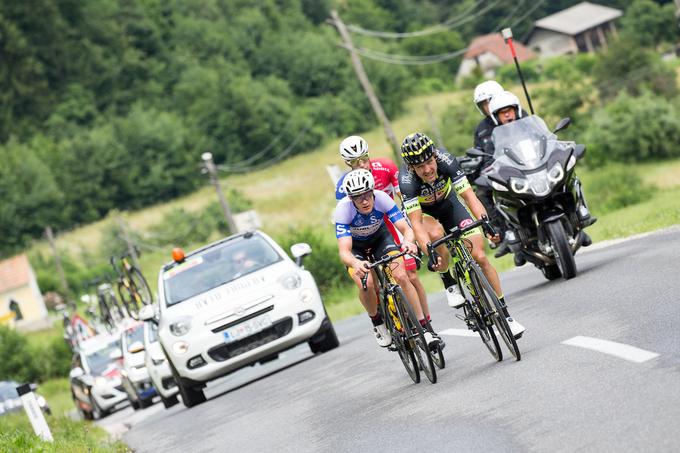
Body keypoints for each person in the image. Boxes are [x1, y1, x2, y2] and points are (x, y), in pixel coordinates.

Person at [398, 132, 525, 338]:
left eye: (430, 162)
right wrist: (429, 252)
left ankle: (506, 316)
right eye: (420, 167)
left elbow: (469, 196)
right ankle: (448, 279)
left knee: (480, 257)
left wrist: (487, 225)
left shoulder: (447, 160)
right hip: (426, 214)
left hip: (449, 204)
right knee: (437, 235)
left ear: (435, 157)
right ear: (412, 167)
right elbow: (416, 225)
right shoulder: (407, 181)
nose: (428, 169)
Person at [335, 136, 449, 329]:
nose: (361, 165)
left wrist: (409, 238)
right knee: (370, 284)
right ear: (347, 164)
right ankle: (379, 321)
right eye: (354, 163)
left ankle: (426, 325)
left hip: (388, 226)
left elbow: (404, 199)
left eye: (364, 159)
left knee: (408, 276)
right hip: (358, 239)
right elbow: (345, 240)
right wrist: (356, 262)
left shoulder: (385, 173)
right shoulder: (343, 193)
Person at [334, 168, 439, 348]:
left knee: (402, 277)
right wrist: (356, 263)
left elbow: (406, 229)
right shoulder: (343, 210)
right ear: (351, 198)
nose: (365, 200)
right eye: (358, 197)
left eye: (367, 194)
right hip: (356, 249)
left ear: (373, 191)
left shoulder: (382, 198)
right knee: (366, 284)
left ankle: (425, 329)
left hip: (380, 239)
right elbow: (344, 252)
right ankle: (378, 323)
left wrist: (407, 242)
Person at [487, 91, 597, 249]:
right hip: (517, 176)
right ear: (495, 116)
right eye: (502, 113)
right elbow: (489, 158)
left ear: (516, 109)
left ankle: (577, 214)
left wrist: (559, 145)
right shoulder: (493, 137)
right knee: (498, 196)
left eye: (509, 110)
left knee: (569, 177)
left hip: (537, 170)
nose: (507, 115)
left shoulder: (530, 126)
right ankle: (512, 234)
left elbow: (548, 140)